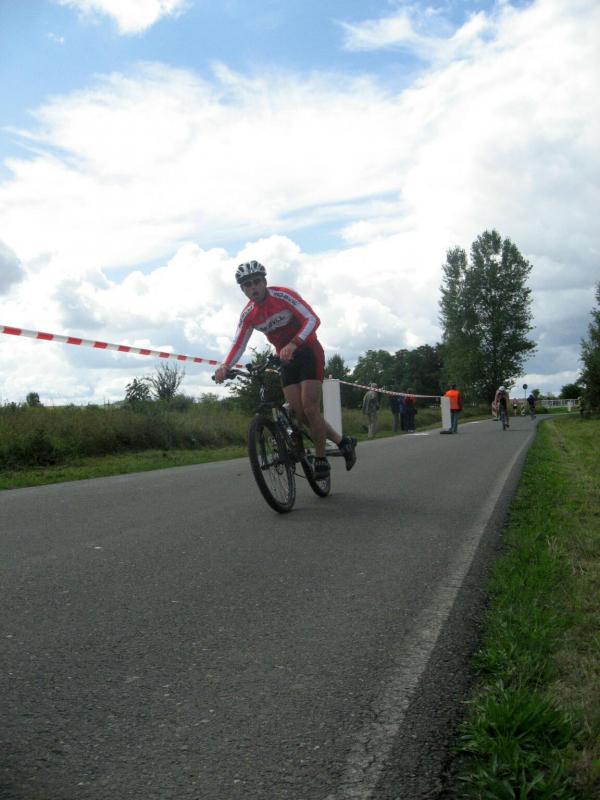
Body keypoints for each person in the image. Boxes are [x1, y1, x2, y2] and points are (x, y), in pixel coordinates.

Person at [214, 260, 356, 479]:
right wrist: (225, 366)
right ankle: (342, 442)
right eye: (248, 285)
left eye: (257, 282)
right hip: (286, 358)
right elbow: (239, 343)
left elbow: (312, 319)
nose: (253, 287)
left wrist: (294, 343)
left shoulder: (283, 296)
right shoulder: (249, 314)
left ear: (265, 282)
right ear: (242, 290)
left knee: (310, 408)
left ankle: (320, 459)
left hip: (308, 351)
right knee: (299, 413)